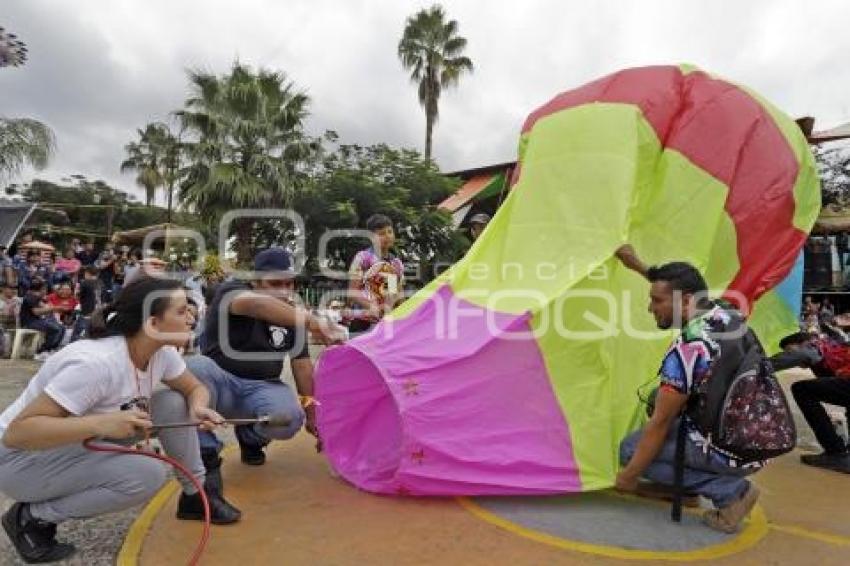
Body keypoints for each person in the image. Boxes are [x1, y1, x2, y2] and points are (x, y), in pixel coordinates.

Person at [0, 277, 240, 563]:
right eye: (181, 312)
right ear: (152, 323)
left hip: (67, 442)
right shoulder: (96, 365)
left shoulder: (160, 353)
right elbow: (17, 433)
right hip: (19, 460)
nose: (192, 317)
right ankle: (29, 516)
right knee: (146, 475)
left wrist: (199, 407)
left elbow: (194, 388)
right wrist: (101, 424)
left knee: (174, 402)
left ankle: (195, 496)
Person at [614, 245, 761, 534]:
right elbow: (684, 288)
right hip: (753, 432)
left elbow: (660, 424)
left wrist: (629, 477)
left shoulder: (689, 349)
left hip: (730, 446)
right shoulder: (723, 314)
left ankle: (731, 492)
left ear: (685, 302)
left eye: (656, 301)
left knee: (631, 451)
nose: (650, 308)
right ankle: (682, 486)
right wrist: (640, 267)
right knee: (659, 400)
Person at [188, 247, 345, 483]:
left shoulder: (293, 318)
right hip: (220, 386)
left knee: (289, 418)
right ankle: (206, 457)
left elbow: (302, 368)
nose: (284, 290)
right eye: (275, 283)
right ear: (255, 282)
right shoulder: (232, 292)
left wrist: (313, 416)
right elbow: (256, 306)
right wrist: (314, 322)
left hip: (262, 387)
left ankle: (251, 437)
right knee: (195, 367)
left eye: (289, 284)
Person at [770, 331, 850, 473]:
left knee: (802, 390)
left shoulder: (812, 346)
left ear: (802, 344)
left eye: (789, 351)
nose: (790, 357)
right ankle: (843, 455)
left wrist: (751, 367)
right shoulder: (829, 345)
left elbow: (801, 355)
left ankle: (836, 452)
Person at [347, 214, 405, 333]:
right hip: (363, 322)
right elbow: (352, 293)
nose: (387, 236)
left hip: (386, 323)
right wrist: (373, 307)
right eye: (381, 233)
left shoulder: (396, 263)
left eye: (390, 232)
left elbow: (396, 294)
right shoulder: (362, 258)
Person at [19, 279, 67, 360]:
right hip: (29, 322)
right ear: (41, 289)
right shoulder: (30, 297)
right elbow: (36, 312)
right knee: (54, 328)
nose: (45, 291)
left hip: (37, 321)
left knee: (62, 328)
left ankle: (51, 349)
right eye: (45, 289)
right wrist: (53, 308)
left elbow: (45, 306)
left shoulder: (37, 298)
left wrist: (54, 307)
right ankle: (41, 351)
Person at [71, 267, 100, 342]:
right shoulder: (100, 283)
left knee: (79, 331)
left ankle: (73, 345)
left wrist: (77, 291)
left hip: (87, 310)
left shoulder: (85, 282)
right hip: (97, 310)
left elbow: (78, 296)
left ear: (87, 273)